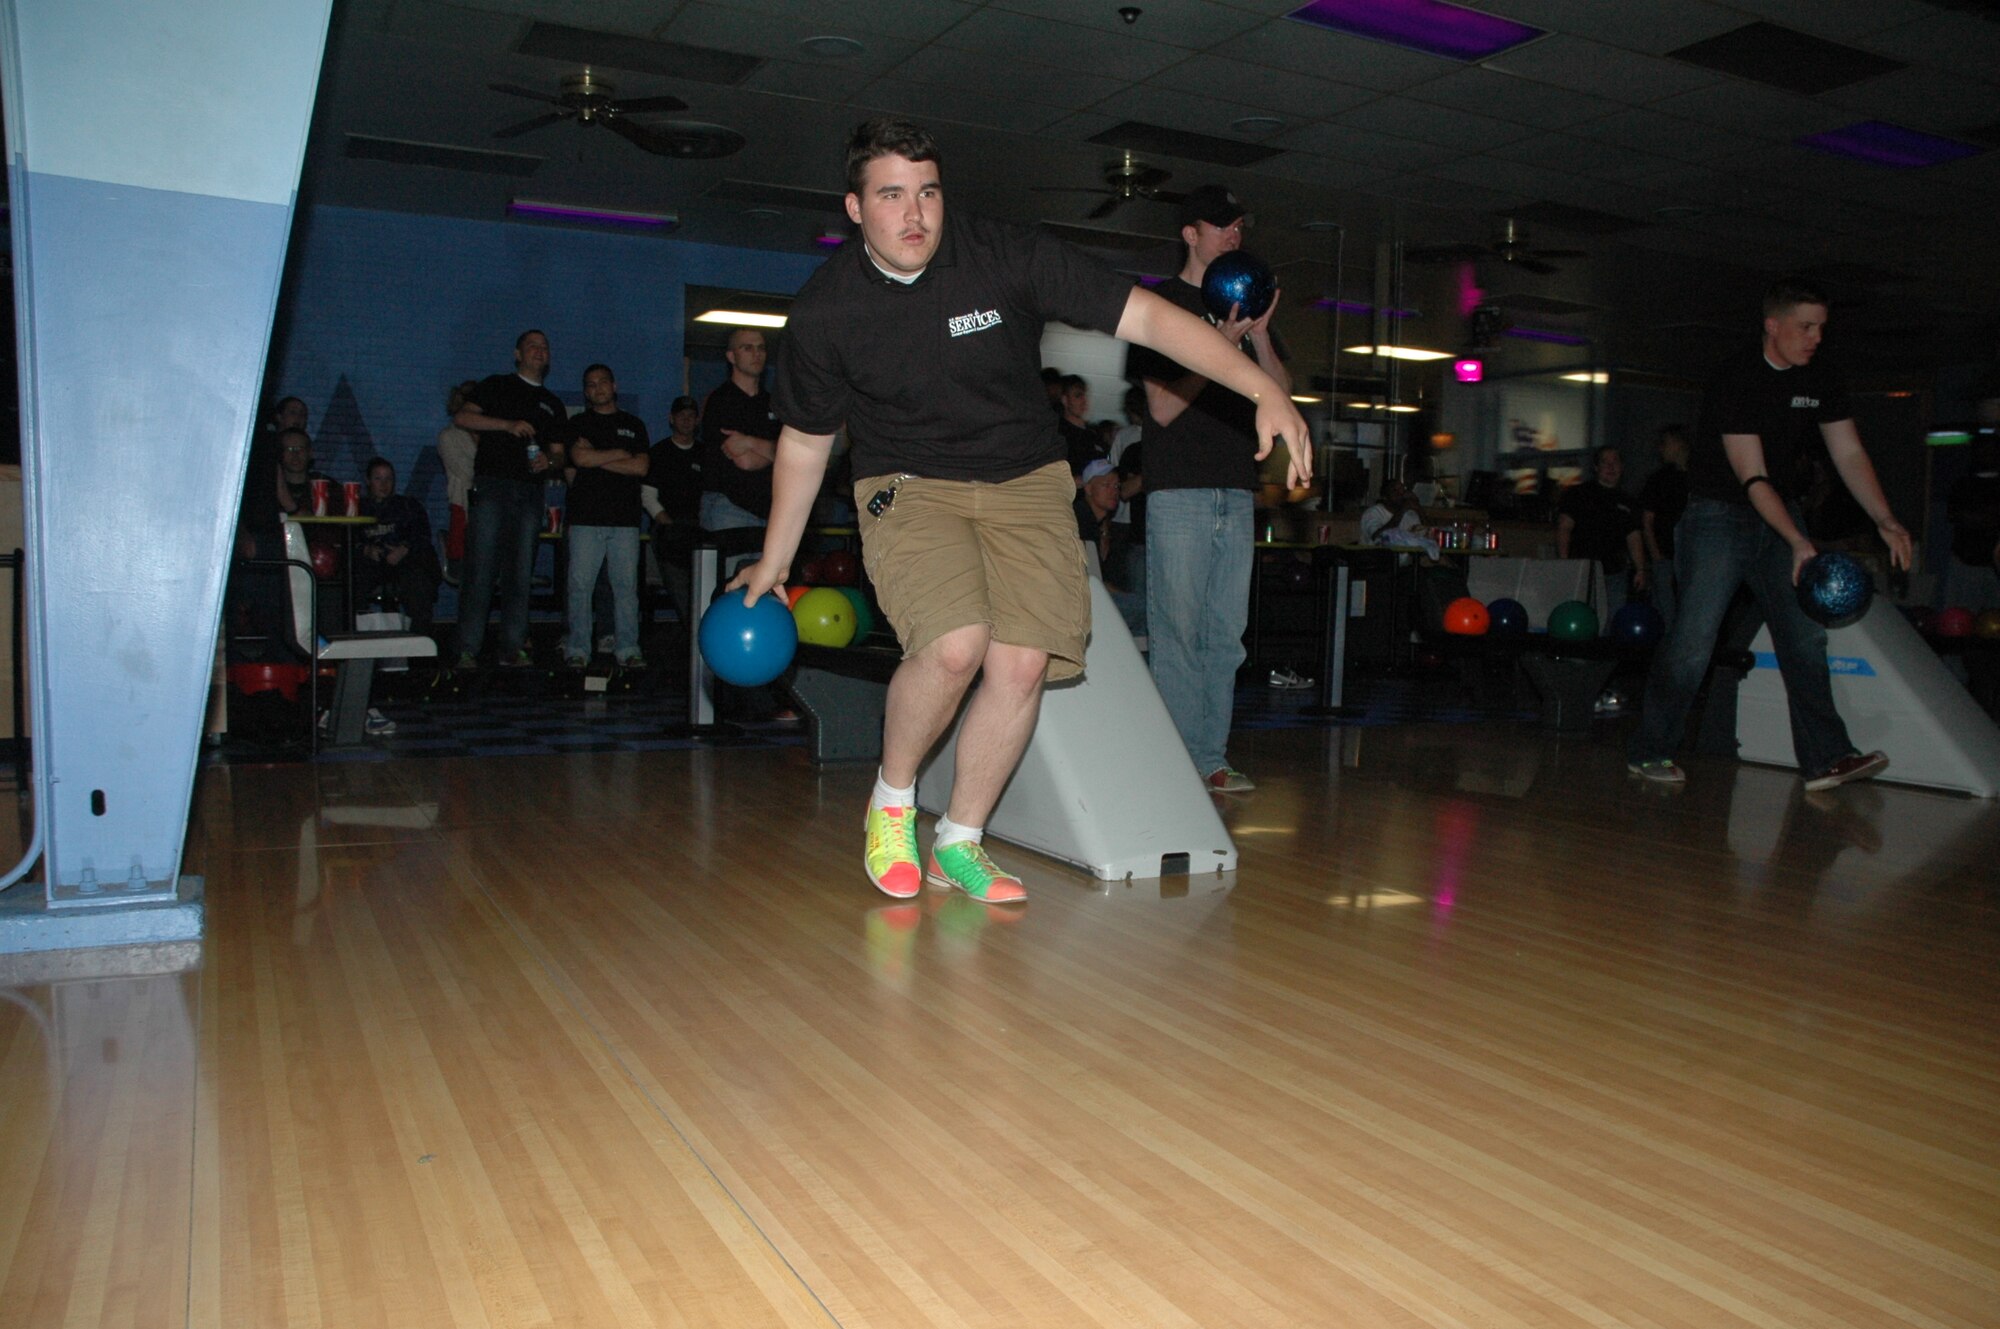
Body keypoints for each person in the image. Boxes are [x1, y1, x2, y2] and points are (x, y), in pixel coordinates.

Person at [727, 117, 1309, 905]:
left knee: (1025, 660)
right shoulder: (828, 311)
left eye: (927, 192)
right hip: (908, 482)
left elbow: (1149, 317)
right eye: (891, 195)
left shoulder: (1005, 254)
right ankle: (893, 802)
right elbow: (805, 441)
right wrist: (776, 557)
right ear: (855, 208)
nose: (914, 215)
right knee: (958, 643)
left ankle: (960, 842)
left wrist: (1262, 385)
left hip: (1028, 478)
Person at [1626, 278, 1912, 790]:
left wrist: (1884, 517)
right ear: (1772, 326)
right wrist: (1799, 542)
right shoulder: (1736, 378)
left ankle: (1827, 758)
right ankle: (1650, 750)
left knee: (1804, 638)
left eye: (1821, 328)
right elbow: (1751, 476)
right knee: (1693, 641)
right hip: (1719, 515)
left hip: (1780, 512)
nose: (1815, 338)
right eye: (1805, 327)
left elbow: (1847, 453)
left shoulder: (1820, 376)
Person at [1126, 183, 1299, 794]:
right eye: (1221, 224)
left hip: (1236, 487)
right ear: (1189, 234)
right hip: (1179, 491)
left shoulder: (1245, 304)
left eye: (1240, 225)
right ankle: (1176, 765)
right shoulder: (1159, 304)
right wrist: (1216, 350)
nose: (1235, 234)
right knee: (1178, 633)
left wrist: (1254, 337)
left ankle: (1210, 758)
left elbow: (1277, 396)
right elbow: (1162, 410)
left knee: (1224, 636)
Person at [453, 329, 571, 669]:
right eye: (532, 346)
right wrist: (507, 425)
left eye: (545, 347)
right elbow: (462, 417)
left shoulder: (553, 404)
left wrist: (547, 462)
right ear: (517, 354)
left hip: (530, 491)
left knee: (521, 572)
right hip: (493, 485)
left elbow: (560, 456)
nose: (539, 351)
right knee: (482, 568)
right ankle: (467, 649)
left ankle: (514, 646)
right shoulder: (496, 385)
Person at [562, 363, 651, 669]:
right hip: (585, 518)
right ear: (585, 391)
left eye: (602, 382)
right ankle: (578, 649)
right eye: (590, 384)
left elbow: (641, 467)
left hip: (625, 520)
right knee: (580, 587)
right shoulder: (577, 424)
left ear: (614, 386)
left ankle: (628, 648)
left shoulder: (634, 424)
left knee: (626, 588)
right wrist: (620, 454)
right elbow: (578, 458)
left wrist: (596, 459)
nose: (596, 388)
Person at [700, 327, 780, 540]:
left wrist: (749, 441)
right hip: (730, 508)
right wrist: (773, 451)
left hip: (770, 510)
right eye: (747, 348)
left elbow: (790, 454)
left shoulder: (774, 404)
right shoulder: (720, 401)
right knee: (733, 573)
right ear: (731, 356)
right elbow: (745, 461)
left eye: (761, 348)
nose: (757, 354)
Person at [354, 455, 441, 641]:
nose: (384, 484)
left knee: (419, 582)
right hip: (370, 565)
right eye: (378, 478)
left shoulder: (408, 506)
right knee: (351, 581)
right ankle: (356, 640)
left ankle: (419, 643)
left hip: (404, 563)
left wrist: (404, 549)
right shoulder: (356, 508)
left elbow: (422, 535)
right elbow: (348, 539)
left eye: (389, 478)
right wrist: (366, 550)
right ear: (368, 481)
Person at [1556, 445, 1646, 616]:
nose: (1611, 467)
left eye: (1615, 462)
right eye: (1606, 463)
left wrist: (1640, 569)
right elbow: (1564, 527)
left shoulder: (1628, 501)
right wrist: (1564, 561)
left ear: (1622, 467)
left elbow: (1634, 537)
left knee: (1612, 619)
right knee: (1581, 617)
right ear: (1596, 467)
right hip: (1582, 570)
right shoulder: (1578, 494)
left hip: (1615, 572)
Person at [643, 395, 704, 631]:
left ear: (697, 420)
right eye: (681, 415)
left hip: (701, 532)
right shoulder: (659, 452)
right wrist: (668, 524)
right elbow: (647, 496)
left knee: (705, 587)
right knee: (681, 590)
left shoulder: (705, 453)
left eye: (691, 416)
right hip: (669, 532)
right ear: (671, 418)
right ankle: (695, 634)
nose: (686, 420)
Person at [1639, 425, 1690, 633]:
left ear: (1678, 443)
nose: (1661, 449)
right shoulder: (1659, 479)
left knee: (1689, 608)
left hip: (1691, 557)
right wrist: (1656, 555)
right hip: (1665, 557)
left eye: (1665, 443)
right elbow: (1647, 520)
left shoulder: (1699, 478)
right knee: (1665, 613)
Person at [435, 380, 480, 585]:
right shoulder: (448, 437)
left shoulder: (493, 436)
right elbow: (469, 472)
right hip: (465, 510)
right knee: (469, 579)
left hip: (492, 512)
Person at [1056, 375, 1105, 480]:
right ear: (1065, 400)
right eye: (1078, 396)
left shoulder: (1094, 434)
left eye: (1085, 395)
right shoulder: (1059, 434)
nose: (1084, 400)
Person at [1358, 477, 1427, 547]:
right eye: (1394, 491)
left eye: (1402, 490)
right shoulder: (1373, 513)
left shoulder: (1410, 514)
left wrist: (1419, 509)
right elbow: (1377, 537)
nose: (1400, 494)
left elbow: (1425, 534)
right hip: (1375, 556)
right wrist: (1402, 510)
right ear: (1385, 496)